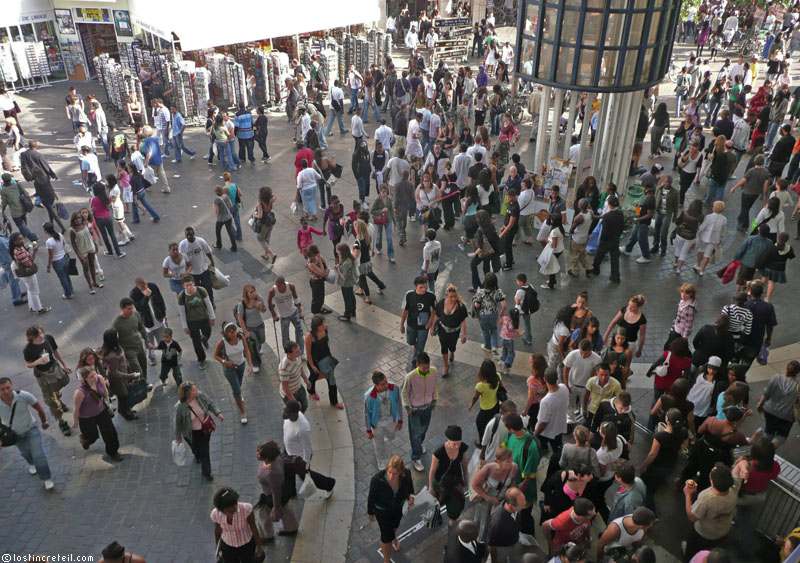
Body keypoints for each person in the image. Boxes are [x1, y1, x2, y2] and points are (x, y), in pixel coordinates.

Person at [0, 377, 55, 490]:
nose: (6, 391)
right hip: (14, 434)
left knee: (38, 455)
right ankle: (31, 462)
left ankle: (46, 478)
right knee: (25, 452)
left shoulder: (23, 395)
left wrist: (44, 422)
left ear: (12, 386)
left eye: (7, 388)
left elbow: (39, 408)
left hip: (31, 430)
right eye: (2, 389)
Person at [682, 463, 744, 561]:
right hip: (722, 530)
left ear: (712, 482)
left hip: (703, 533)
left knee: (691, 552)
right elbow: (739, 467)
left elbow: (692, 517)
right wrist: (743, 465)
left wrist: (688, 494)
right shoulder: (734, 489)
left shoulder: (707, 498)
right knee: (709, 550)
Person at [282, 399, 336, 495]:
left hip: (298, 458)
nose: (283, 413)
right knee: (287, 471)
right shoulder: (288, 419)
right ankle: (291, 490)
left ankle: (329, 484)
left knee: (308, 477)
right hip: (289, 451)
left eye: (286, 412)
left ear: (294, 414)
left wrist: (305, 466)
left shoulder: (302, 428)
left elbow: (307, 448)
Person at [368, 456, 415, 562]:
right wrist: (370, 512)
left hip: (398, 508)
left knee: (395, 526)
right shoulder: (377, 479)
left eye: (394, 474)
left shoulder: (406, 474)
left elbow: (410, 488)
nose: (390, 476)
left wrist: (410, 497)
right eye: (389, 472)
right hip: (382, 511)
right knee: (385, 537)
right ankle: (386, 560)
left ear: (401, 472)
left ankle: (393, 538)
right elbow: (371, 497)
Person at [174, 381, 224, 481]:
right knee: (196, 448)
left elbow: (210, 403)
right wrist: (178, 438)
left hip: (204, 428)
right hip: (191, 433)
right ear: (188, 394)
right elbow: (177, 424)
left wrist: (218, 413)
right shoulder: (179, 407)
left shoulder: (200, 396)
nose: (197, 391)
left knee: (205, 450)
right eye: (194, 390)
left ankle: (207, 472)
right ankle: (196, 454)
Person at [640, 408, 688, 511]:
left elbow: (652, 454)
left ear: (667, 420)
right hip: (670, 464)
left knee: (649, 490)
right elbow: (685, 443)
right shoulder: (683, 431)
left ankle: (651, 510)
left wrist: (644, 465)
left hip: (657, 466)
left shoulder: (660, 436)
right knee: (658, 480)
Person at [72, 366, 122, 462]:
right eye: (91, 376)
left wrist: (108, 402)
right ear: (85, 379)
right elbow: (76, 408)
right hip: (86, 418)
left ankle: (113, 452)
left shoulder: (99, 378)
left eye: (94, 374)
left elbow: (105, 391)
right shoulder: (80, 392)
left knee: (110, 432)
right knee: (92, 436)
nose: (94, 377)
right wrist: (75, 421)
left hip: (101, 412)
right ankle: (86, 440)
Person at [255, 440, 299, 541]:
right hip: (284, 489)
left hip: (271, 496)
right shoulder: (277, 458)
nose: (257, 454)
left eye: (259, 453)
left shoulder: (271, 473)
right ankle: (291, 528)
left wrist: (276, 508)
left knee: (263, 514)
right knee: (287, 509)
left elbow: (276, 492)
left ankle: (267, 535)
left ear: (266, 458)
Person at [403, 351, 438, 472]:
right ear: (417, 365)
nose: (426, 369)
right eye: (423, 368)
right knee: (416, 434)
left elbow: (435, 386)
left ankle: (418, 446)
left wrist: (434, 399)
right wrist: (407, 407)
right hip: (415, 410)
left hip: (427, 408)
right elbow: (404, 393)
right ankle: (415, 457)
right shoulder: (410, 377)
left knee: (423, 430)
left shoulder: (433, 371)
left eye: (427, 367)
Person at [213, 322, 253, 425]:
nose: (233, 333)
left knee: (238, 385)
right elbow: (215, 356)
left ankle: (238, 396)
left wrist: (250, 365)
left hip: (241, 365)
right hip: (229, 369)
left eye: (234, 331)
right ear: (226, 334)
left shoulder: (241, 337)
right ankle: (243, 412)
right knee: (236, 390)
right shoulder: (222, 343)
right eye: (230, 332)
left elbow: (247, 351)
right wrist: (225, 362)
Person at [210, 487, 264, 563]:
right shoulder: (216, 514)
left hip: (246, 544)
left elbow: (253, 527)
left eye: (235, 504)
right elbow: (218, 531)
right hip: (228, 545)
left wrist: (259, 545)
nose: (235, 507)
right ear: (224, 508)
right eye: (231, 506)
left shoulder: (246, 509)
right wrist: (217, 547)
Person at [429, 425, 469, 524]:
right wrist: (431, 487)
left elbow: (464, 463)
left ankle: (452, 518)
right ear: (448, 441)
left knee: (457, 503)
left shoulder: (462, 447)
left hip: (455, 480)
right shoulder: (439, 452)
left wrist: (466, 477)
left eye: (458, 443)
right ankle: (436, 516)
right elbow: (432, 470)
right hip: (440, 482)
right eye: (454, 444)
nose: (457, 447)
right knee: (438, 502)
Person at [757, 360, 799, 448]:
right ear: (798, 373)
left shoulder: (776, 377)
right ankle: (769, 450)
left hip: (769, 410)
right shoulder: (798, 386)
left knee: (769, 429)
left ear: (786, 368)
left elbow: (766, 393)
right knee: (782, 435)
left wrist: (760, 404)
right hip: (786, 416)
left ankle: (762, 447)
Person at [177, 275, 216, 370]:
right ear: (183, 286)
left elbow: (209, 304)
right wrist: (185, 326)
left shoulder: (201, 291)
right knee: (196, 342)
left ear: (193, 283)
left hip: (204, 318)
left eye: (190, 284)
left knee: (207, 332)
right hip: (191, 322)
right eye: (187, 285)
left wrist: (212, 317)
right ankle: (201, 359)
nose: (189, 287)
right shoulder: (182, 296)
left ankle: (205, 339)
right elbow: (182, 312)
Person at [112, 297, 152, 384]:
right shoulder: (116, 323)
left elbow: (141, 328)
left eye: (132, 308)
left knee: (143, 365)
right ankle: (142, 384)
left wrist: (147, 341)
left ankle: (144, 381)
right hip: (128, 350)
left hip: (139, 345)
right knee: (137, 368)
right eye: (128, 309)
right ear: (122, 308)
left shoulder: (135, 315)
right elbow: (113, 339)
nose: (131, 310)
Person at [432, 284, 469, 377]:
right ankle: (445, 366)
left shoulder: (461, 307)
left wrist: (464, 335)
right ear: (446, 296)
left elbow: (463, 321)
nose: (453, 299)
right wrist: (432, 327)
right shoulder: (441, 303)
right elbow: (436, 315)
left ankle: (452, 352)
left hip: (454, 332)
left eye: (455, 296)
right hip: (442, 330)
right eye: (451, 297)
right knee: (444, 347)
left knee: (452, 346)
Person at [129, 277, 167, 367]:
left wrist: (164, 313)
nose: (145, 287)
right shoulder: (133, 294)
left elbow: (160, 300)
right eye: (142, 286)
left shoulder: (152, 286)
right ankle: (152, 357)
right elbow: (140, 307)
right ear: (137, 286)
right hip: (147, 322)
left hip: (158, 318)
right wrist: (146, 296)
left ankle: (166, 355)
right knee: (149, 342)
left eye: (146, 284)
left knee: (163, 340)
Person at [400, 276, 437, 367]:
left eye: (425, 287)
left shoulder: (431, 296)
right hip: (411, 324)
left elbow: (435, 309)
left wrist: (430, 322)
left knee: (421, 347)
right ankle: (415, 347)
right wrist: (401, 324)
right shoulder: (409, 295)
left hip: (424, 326)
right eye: (421, 287)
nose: (424, 289)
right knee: (410, 341)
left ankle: (415, 361)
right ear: (415, 287)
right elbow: (405, 310)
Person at [487, 487, 525, 563]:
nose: (524, 506)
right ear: (511, 506)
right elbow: (491, 544)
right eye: (521, 505)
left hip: (513, 540)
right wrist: (494, 560)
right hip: (502, 547)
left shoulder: (515, 508)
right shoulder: (497, 523)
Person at [592, 195, 625, 282]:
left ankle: (595, 270)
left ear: (610, 205)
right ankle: (615, 277)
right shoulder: (621, 214)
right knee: (615, 259)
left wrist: (602, 240)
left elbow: (604, 231)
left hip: (606, 241)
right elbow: (622, 227)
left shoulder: (607, 216)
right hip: (615, 240)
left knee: (598, 257)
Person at [279, 341, 312, 413]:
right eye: (296, 351)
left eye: (299, 349)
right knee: (294, 412)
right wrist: (294, 401)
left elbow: (300, 368)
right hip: (290, 393)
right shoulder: (284, 367)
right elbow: (285, 387)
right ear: (289, 353)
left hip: (299, 387)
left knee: (305, 405)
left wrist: (306, 380)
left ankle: (300, 417)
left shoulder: (297, 356)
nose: (300, 352)